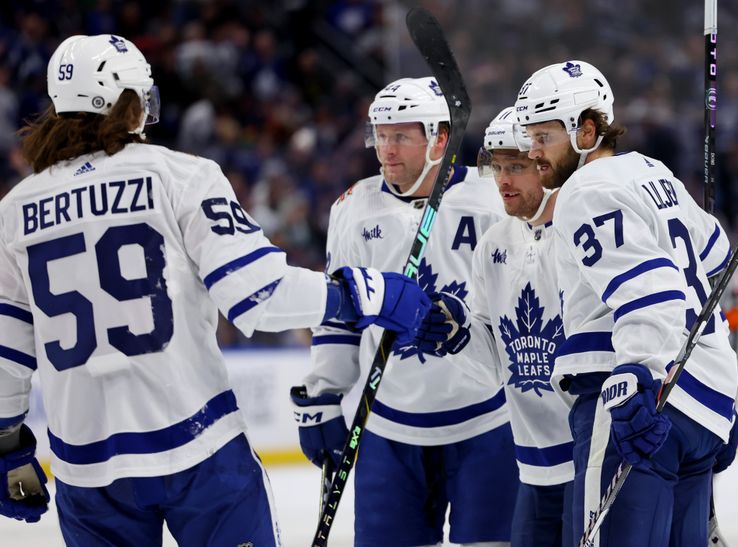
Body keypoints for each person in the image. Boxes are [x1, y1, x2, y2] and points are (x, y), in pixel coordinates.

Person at [0, 34, 431, 546]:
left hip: (88, 467)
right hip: (198, 451)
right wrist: (367, 295)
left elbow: (7, 350)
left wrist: (7, 443)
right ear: (128, 103)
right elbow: (260, 295)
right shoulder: (180, 176)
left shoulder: (15, 209)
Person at [512, 60, 738, 546]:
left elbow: (653, 287)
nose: (533, 153)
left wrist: (638, 371)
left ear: (587, 130)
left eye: (544, 137)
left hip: (635, 402)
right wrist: (723, 400)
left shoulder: (584, 191)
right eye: (529, 138)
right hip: (700, 405)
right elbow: (717, 259)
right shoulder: (655, 174)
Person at [291, 77, 518, 547]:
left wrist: (466, 320)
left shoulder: (493, 198)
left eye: (400, 136)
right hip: (388, 427)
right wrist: (323, 395)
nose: (385, 150)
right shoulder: (354, 208)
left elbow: (519, 301)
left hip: (488, 422)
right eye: (380, 134)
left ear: (439, 138)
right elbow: (341, 314)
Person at [413, 106, 575, 547]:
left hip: (592, 458)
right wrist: (458, 329)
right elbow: (492, 357)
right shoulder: (494, 243)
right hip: (534, 463)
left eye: (517, 167)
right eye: (497, 167)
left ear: (547, 164)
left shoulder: (581, 234)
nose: (502, 180)